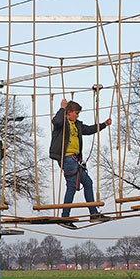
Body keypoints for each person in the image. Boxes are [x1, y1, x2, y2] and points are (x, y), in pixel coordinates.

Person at [49, 98, 112, 228]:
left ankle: (93, 213)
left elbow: (88, 130)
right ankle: (65, 217)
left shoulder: (76, 124)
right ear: (69, 112)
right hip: (67, 158)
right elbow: (56, 121)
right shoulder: (62, 124)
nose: (77, 116)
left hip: (75, 159)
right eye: (76, 113)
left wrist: (104, 125)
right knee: (72, 186)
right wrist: (62, 108)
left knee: (88, 183)